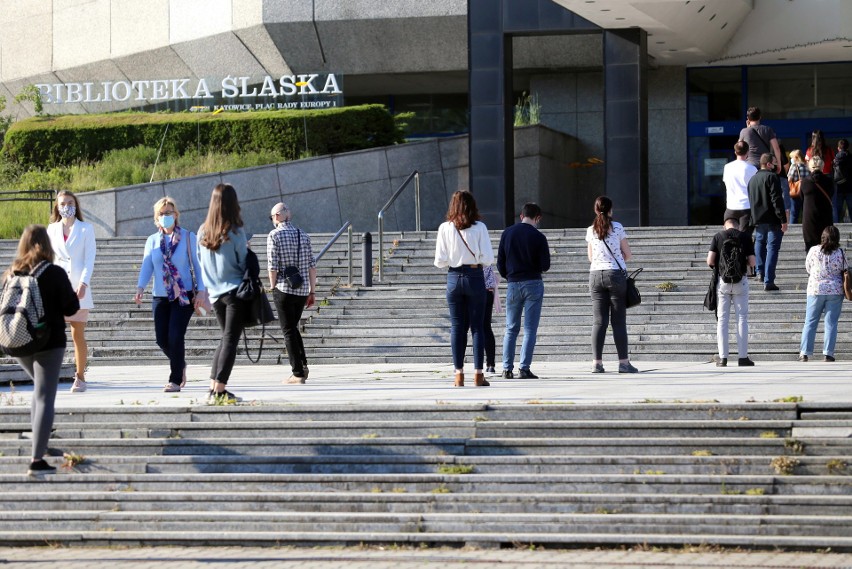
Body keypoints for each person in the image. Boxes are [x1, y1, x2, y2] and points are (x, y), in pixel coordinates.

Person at [4, 225, 80, 475]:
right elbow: (71, 308)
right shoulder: (54, 273)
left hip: (20, 342)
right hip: (49, 342)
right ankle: (37, 460)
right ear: (47, 245)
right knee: (45, 396)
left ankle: (41, 442)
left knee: (39, 391)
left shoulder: (11, 273)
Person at [134, 197, 208, 392]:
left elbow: (198, 266)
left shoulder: (189, 237)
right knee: (161, 339)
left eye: (169, 212)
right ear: (156, 218)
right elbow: (147, 265)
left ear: (176, 215)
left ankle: (175, 379)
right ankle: (180, 363)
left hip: (183, 295)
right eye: (162, 213)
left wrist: (201, 290)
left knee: (175, 335)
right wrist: (140, 287)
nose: (166, 216)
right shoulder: (152, 241)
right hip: (160, 296)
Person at [434, 190, 495, 388]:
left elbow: (439, 261)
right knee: (477, 327)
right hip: (474, 276)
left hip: (453, 277)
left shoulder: (444, 228)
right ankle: (478, 375)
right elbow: (487, 259)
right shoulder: (480, 227)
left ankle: (458, 375)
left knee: (457, 327)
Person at [197, 183, 249, 403]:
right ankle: (219, 389)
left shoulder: (203, 231)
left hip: (216, 294)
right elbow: (242, 262)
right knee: (230, 341)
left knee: (225, 339)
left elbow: (201, 262)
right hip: (234, 291)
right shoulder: (235, 232)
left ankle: (212, 387)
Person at [46, 190, 96, 393]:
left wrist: (83, 283)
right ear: (57, 207)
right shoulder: (51, 229)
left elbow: (89, 258)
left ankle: (80, 376)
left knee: (77, 335)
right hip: (56, 290)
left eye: (69, 202)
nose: (66, 206)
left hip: (78, 290)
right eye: (62, 203)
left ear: (76, 204)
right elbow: (48, 258)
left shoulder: (86, 229)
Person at [497, 202, 551, 379]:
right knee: (530, 329)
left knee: (511, 328)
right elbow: (545, 265)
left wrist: (509, 276)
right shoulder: (539, 237)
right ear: (538, 218)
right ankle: (524, 368)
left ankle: (506, 369)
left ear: (521, 216)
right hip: (533, 283)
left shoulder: (507, 233)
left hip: (513, 283)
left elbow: (500, 263)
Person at [586, 196, 638, 374]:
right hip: (615, 275)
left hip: (595, 275)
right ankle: (623, 363)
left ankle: (596, 364)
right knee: (618, 322)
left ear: (595, 209)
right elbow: (628, 254)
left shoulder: (591, 230)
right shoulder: (617, 227)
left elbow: (591, 257)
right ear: (610, 210)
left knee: (599, 322)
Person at [266, 202, 317, 384]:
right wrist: (312, 290)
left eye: (272, 217)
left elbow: (273, 265)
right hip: (302, 289)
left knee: (288, 330)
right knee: (293, 327)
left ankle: (297, 373)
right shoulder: (303, 235)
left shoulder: (274, 235)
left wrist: (272, 286)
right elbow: (312, 266)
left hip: (284, 288)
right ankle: (302, 365)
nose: (272, 220)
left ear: (278, 216)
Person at [707, 217, 756, 367]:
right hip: (740, 281)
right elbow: (753, 262)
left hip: (723, 282)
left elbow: (710, 261)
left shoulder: (718, 236)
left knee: (722, 320)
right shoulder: (745, 237)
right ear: (738, 226)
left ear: (725, 226)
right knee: (742, 319)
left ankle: (723, 358)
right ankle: (742, 358)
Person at [798, 226, 845, 362]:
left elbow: (808, 268)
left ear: (822, 237)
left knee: (810, 321)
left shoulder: (813, 250)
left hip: (815, 289)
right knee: (831, 323)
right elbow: (845, 268)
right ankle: (828, 353)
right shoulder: (840, 252)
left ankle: (805, 353)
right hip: (835, 291)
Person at [747, 153, 787, 291]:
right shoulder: (772, 177)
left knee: (759, 243)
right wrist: (783, 219)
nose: (776, 165)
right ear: (769, 164)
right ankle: (769, 281)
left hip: (758, 219)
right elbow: (777, 200)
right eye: (774, 162)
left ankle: (760, 273)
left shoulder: (752, 180)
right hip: (772, 219)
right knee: (772, 248)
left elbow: (751, 201)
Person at [800, 156, 834, 252]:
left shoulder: (805, 182)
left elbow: (801, 198)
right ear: (822, 167)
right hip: (826, 215)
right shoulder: (829, 181)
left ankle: (811, 266)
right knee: (827, 245)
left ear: (810, 167)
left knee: (810, 248)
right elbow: (831, 194)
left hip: (809, 217)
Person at [722, 140, 757, 232]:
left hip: (731, 207)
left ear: (735, 152)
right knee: (745, 239)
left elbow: (725, 182)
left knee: (730, 237)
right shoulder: (752, 169)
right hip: (747, 207)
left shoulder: (727, 167)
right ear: (748, 152)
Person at [482, 264, 500, 374]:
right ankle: (490, 363)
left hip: (472, 290)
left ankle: (459, 366)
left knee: (468, 328)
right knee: (486, 328)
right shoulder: (484, 248)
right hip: (487, 290)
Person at [787, 149, 809, 224]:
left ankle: (792, 231)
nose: (791, 159)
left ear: (796, 158)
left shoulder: (794, 166)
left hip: (795, 193)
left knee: (794, 214)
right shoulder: (807, 166)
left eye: (792, 157)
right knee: (805, 214)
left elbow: (789, 179)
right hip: (805, 192)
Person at [833, 138, 852, 222]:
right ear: (848, 147)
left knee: (837, 209)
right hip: (850, 187)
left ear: (838, 148)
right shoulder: (851, 157)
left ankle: (836, 228)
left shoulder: (836, 158)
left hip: (839, 186)